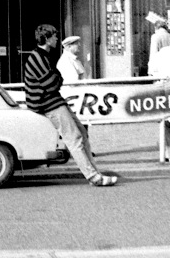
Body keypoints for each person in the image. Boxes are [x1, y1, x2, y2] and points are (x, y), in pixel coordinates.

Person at [23, 24, 117, 186]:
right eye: (54, 36)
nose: (57, 39)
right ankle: (93, 176)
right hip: (48, 103)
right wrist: (56, 79)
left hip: (54, 100)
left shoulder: (44, 56)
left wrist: (56, 79)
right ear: (46, 39)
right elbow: (52, 83)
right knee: (75, 138)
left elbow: (56, 80)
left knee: (82, 134)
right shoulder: (38, 57)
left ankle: (95, 172)